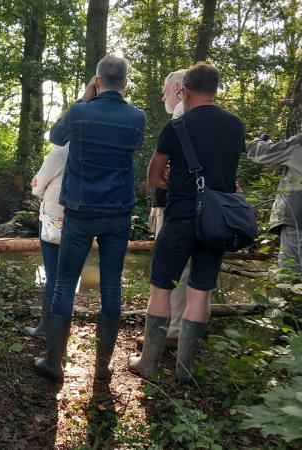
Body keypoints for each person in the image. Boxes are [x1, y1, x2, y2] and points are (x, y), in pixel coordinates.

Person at [34, 55, 147, 387]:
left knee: (65, 285)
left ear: (96, 81)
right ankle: (102, 367)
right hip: (118, 213)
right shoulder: (136, 117)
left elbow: (56, 136)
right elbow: (134, 145)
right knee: (111, 286)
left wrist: (84, 99)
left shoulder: (81, 112)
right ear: (124, 84)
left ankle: (54, 362)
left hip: (80, 213)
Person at [129, 62, 245, 384]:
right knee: (199, 291)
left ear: (184, 90)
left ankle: (148, 363)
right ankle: (184, 370)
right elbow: (229, 178)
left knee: (162, 288)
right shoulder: (235, 126)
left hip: (180, 217)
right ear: (216, 89)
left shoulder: (176, 128)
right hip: (215, 221)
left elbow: (154, 177)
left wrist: (178, 183)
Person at [138, 69, 189, 350]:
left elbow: (160, 173)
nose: (162, 95)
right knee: (188, 271)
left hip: (176, 206)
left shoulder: (182, 117)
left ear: (180, 87)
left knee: (171, 271)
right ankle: (180, 328)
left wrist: (160, 178)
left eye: (165, 89)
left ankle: (171, 331)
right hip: (179, 204)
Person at [24, 143, 69, 338]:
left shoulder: (59, 154)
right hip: (80, 220)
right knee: (68, 276)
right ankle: (62, 328)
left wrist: (38, 182)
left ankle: (46, 327)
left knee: (53, 275)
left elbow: (37, 187)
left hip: (54, 220)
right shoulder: (92, 152)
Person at [248, 134, 302, 278]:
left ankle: (293, 299)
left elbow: (258, 153)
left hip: (296, 217)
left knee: (291, 271)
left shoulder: (298, 143)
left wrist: (258, 141)